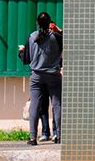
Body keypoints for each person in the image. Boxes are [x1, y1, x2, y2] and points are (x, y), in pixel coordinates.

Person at [18, 12, 63, 146]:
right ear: (50, 23)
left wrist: (21, 51)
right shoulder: (56, 37)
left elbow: (26, 58)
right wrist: (58, 30)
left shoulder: (32, 36)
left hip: (36, 76)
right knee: (57, 105)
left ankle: (33, 138)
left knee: (35, 106)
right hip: (53, 75)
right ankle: (59, 135)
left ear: (37, 22)